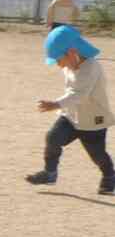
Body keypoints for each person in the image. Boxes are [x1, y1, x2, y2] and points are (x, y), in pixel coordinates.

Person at [26, 25, 113, 196]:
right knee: (53, 137)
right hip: (71, 115)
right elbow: (72, 92)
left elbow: (79, 94)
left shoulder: (91, 68)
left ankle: (110, 177)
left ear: (72, 52)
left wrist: (56, 104)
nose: (58, 64)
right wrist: (60, 106)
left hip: (92, 120)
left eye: (58, 59)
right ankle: (50, 173)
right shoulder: (70, 65)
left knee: (97, 154)